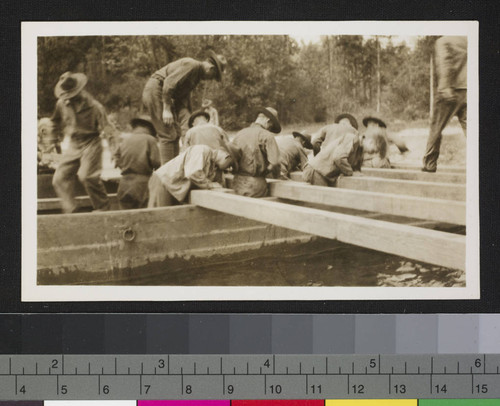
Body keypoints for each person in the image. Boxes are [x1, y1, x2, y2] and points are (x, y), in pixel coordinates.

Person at [50, 72, 119, 213]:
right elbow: (55, 122)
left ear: (79, 91)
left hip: (91, 142)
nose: (69, 99)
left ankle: (102, 208)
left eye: (72, 95)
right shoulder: (62, 103)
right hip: (74, 143)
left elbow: (108, 129)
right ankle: (71, 209)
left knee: (86, 176)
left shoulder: (94, 107)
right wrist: (52, 141)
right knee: (59, 178)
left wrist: (114, 151)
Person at [142, 51, 227, 165]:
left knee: (176, 133)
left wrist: (191, 122)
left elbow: (183, 100)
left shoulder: (195, 76)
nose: (210, 80)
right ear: (211, 68)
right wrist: (166, 109)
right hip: (156, 90)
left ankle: (174, 167)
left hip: (163, 94)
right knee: (167, 134)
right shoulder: (192, 65)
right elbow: (168, 83)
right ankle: (167, 175)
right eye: (213, 76)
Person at [422, 36, 467, 172]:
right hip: (469, 89)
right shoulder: (466, 39)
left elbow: (444, 62)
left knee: (436, 126)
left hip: (450, 88)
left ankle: (429, 163)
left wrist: (446, 86)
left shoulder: (443, 41)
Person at [148, 144, 235, 207]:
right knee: (157, 218)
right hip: (164, 181)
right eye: (229, 164)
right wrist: (211, 185)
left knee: (168, 220)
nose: (229, 168)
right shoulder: (202, 149)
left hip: (173, 187)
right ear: (226, 156)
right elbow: (193, 173)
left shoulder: (214, 166)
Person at [232, 107, 281, 197]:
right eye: (271, 126)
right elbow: (275, 163)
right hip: (255, 185)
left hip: (237, 182)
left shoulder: (240, 133)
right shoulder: (266, 135)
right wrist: (266, 172)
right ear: (268, 121)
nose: (269, 129)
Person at [114, 115, 161, 210]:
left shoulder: (125, 140)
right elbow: (156, 163)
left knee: (125, 217)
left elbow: (116, 158)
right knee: (143, 218)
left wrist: (125, 166)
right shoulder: (150, 140)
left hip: (124, 183)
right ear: (149, 128)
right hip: (142, 184)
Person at [303, 130, 377, 186]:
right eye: (372, 144)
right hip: (315, 170)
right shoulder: (352, 138)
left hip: (323, 173)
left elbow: (356, 168)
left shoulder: (360, 149)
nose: (373, 151)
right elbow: (338, 157)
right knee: (327, 202)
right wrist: (350, 172)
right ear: (366, 138)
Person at [184, 110, 239, 183]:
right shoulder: (218, 129)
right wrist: (235, 168)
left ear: (193, 122)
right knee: (219, 188)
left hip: (200, 170)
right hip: (217, 168)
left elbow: (185, 154)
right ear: (206, 119)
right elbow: (230, 149)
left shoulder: (190, 132)